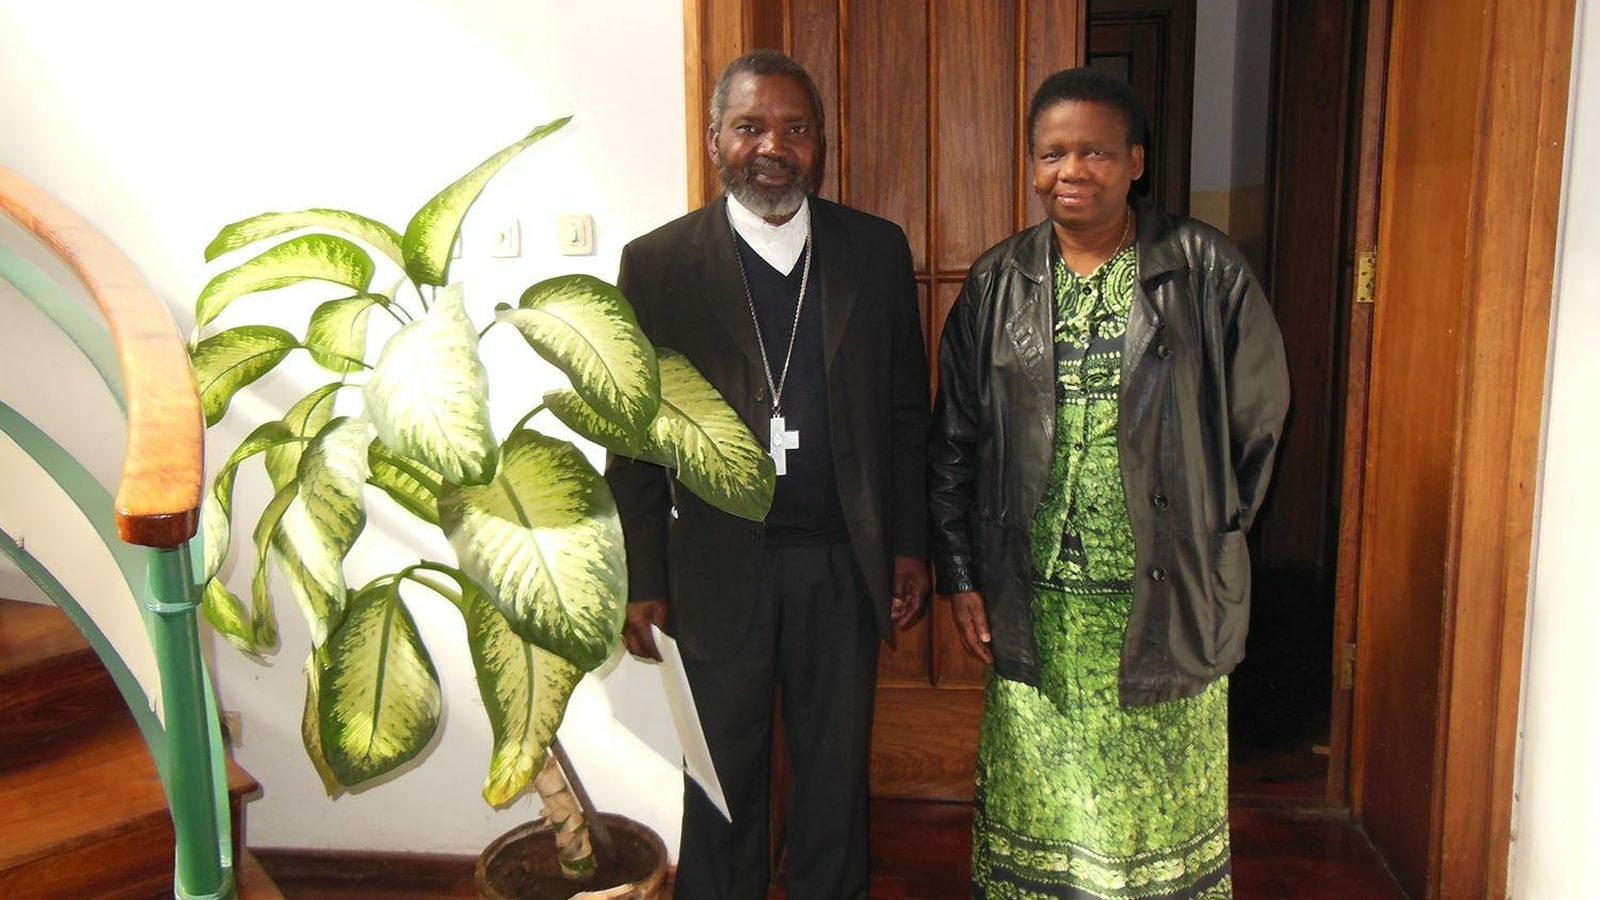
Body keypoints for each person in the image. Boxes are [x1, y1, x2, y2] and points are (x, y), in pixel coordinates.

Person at [929, 67, 1290, 899]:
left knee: (1156, 819)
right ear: (1031, 166)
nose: (1071, 171)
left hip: (1163, 597)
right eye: (1052, 153)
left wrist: (1209, 536)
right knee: (1042, 806)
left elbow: (1260, 424)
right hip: (1037, 598)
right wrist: (961, 573)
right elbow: (955, 442)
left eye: (1094, 150)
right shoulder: (996, 283)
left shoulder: (1203, 269)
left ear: (1136, 160)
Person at [606, 49, 931, 900]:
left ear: (821, 142)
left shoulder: (876, 251)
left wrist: (909, 546)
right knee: (719, 786)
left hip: (839, 562)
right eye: (750, 126)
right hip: (715, 566)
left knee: (833, 783)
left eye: (794, 128)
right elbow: (634, 436)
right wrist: (641, 577)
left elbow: (906, 416)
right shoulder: (658, 264)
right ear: (716, 138)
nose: (772, 146)